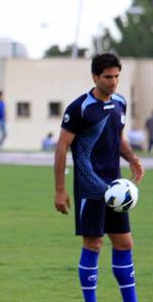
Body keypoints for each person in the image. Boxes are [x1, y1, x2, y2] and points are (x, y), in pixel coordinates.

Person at [53, 53, 145, 302]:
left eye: (116, 76)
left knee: (125, 244)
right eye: (108, 77)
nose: (113, 81)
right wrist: (60, 189)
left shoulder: (120, 103)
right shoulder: (80, 108)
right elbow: (62, 147)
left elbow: (119, 139)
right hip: (90, 189)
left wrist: (133, 159)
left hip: (116, 190)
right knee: (93, 245)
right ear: (95, 76)